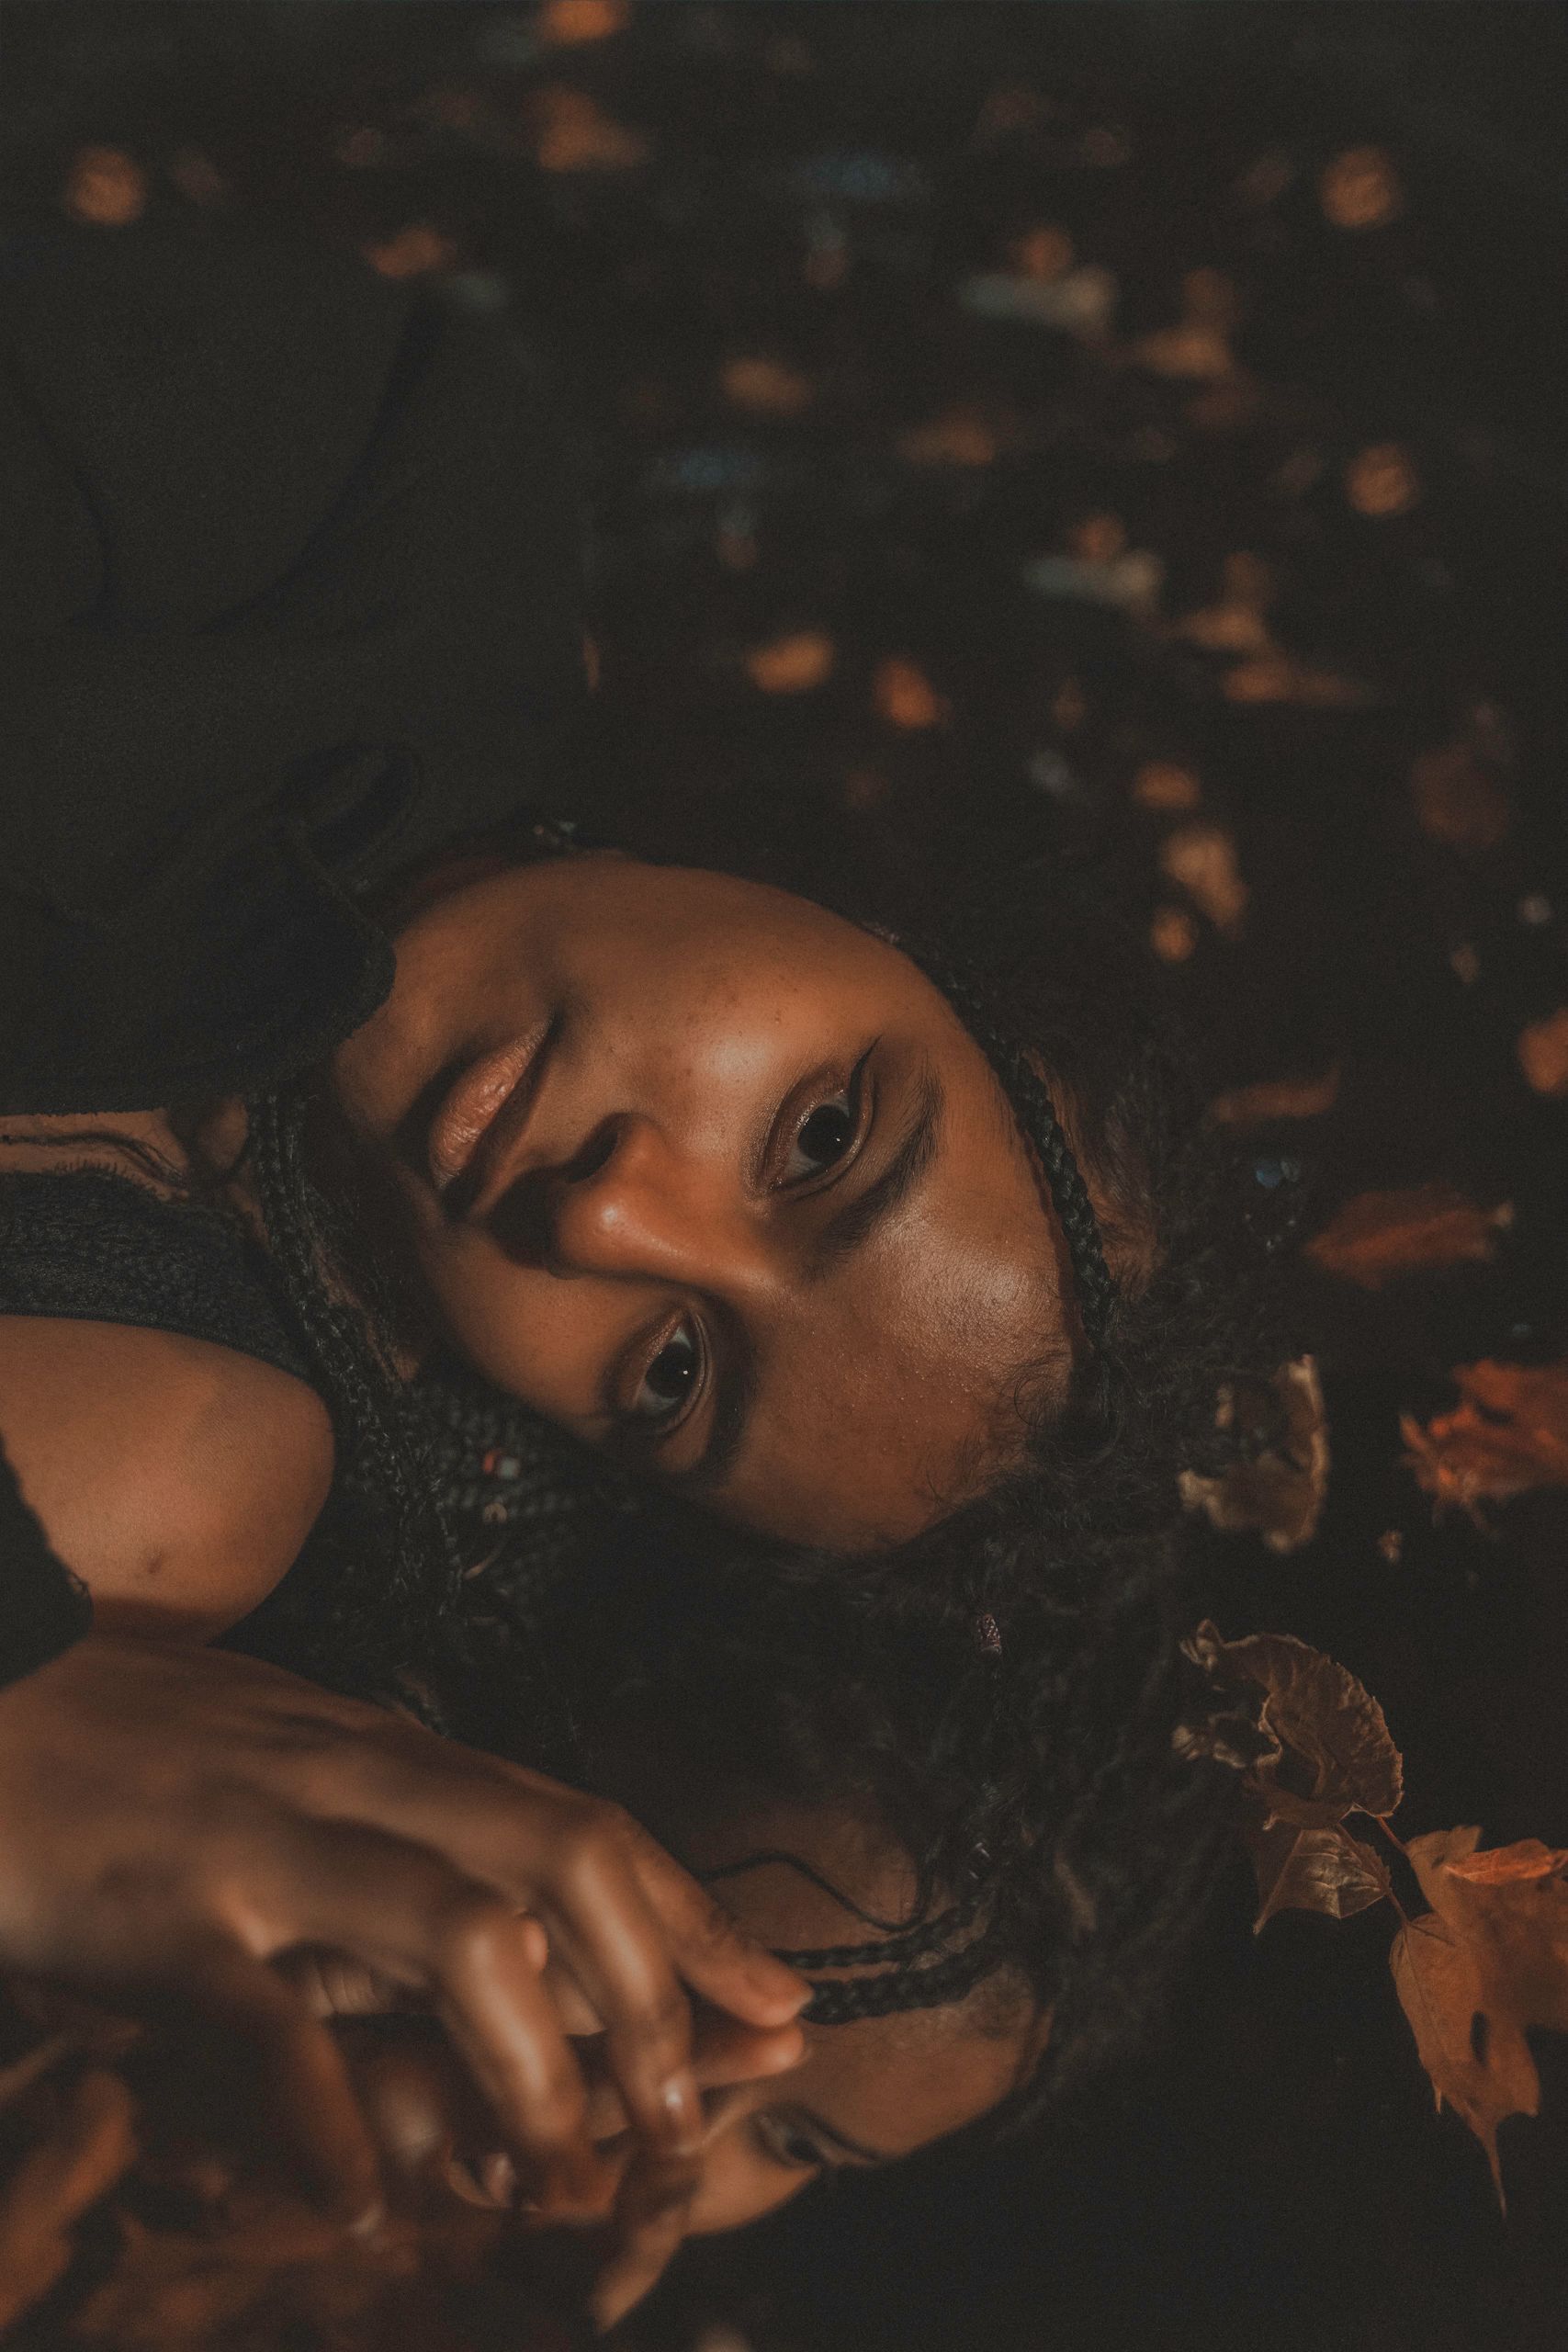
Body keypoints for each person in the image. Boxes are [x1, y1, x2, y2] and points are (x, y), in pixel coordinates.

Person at [0, 201, 1275, 2235]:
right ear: (875, 916)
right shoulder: (382, 515)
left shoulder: (171, 1437)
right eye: (820, 1135)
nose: (612, 1213)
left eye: (668, 1374)